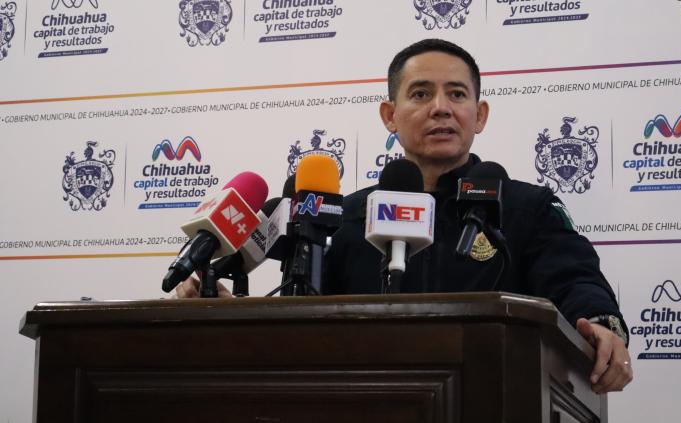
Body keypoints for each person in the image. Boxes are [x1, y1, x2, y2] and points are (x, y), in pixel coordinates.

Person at [175, 38, 633, 394]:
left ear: (479, 115)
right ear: (390, 115)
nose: (440, 107)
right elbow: (304, 320)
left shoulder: (525, 207)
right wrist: (227, 311)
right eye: (421, 93)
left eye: (457, 94)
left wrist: (601, 323)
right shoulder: (343, 215)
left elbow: (576, 280)